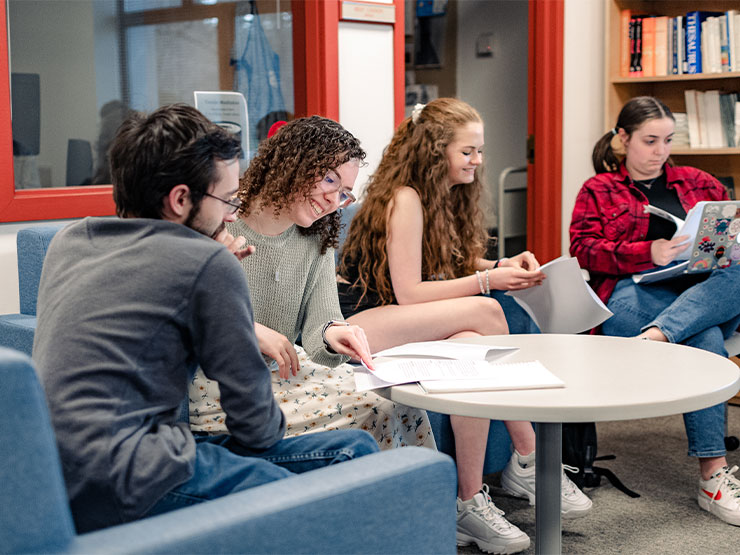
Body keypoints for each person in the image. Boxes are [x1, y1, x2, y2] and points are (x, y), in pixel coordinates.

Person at [31, 104, 378, 533]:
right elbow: (256, 428)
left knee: (355, 446)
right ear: (180, 199)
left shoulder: (70, 240)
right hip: (132, 473)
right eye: (228, 200)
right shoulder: (207, 264)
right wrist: (216, 272)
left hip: (48, 470)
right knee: (319, 488)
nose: (234, 214)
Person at [337, 98, 592, 554]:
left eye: (480, 150)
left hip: (399, 315)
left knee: (473, 346)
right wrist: (488, 280)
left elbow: (441, 262)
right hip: (358, 321)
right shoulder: (405, 197)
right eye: (468, 151)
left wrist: (497, 263)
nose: (479, 161)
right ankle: (530, 456)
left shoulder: (441, 195)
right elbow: (411, 291)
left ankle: (467, 499)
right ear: (436, 153)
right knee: (487, 311)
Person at [189, 115, 435, 449]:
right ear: (294, 164)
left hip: (286, 372)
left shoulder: (315, 237)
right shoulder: (221, 217)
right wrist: (246, 328)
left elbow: (322, 322)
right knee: (375, 408)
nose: (335, 201)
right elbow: (185, 308)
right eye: (330, 180)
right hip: (219, 383)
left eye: (345, 193)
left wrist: (336, 334)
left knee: (402, 401)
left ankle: (438, 501)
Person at [570, 95, 740, 527]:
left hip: (704, 289)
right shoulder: (598, 189)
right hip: (635, 291)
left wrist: (724, 249)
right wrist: (649, 251)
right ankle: (713, 478)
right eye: (650, 141)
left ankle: (658, 337)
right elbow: (583, 249)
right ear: (623, 138)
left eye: (667, 140)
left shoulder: (701, 182)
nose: (661, 151)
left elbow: (728, 239)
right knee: (704, 342)